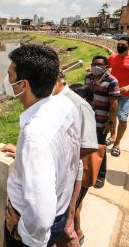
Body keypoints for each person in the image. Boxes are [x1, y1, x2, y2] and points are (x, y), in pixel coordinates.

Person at [1, 44, 81, 247]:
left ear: (24, 85)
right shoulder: (65, 106)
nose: (8, 80)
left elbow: (40, 214)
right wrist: (24, 156)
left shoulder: (34, 137)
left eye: (10, 75)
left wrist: (23, 235)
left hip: (29, 230)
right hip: (60, 212)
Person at [53, 74, 98, 247]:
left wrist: (56, 159)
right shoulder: (51, 101)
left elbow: (89, 145)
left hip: (69, 173)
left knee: (65, 224)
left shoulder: (78, 103)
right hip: (54, 172)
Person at [85, 55, 119, 188]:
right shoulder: (88, 77)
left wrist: (110, 121)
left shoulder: (112, 81)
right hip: (88, 119)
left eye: (99, 64)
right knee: (88, 145)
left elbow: (114, 103)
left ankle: (101, 175)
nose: (96, 67)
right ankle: (89, 169)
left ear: (106, 66)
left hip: (101, 121)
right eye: (94, 64)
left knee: (100, 147)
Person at [107, 36, 129, 157]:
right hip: (113, 93)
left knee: (123, 118)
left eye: (123, 45)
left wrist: (128, 87)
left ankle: (117, 143)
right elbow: (107, 69)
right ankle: (112, 135)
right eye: (119, 44)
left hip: (126, 95)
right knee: (113, 115)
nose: (120, 46)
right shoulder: (113, 57)